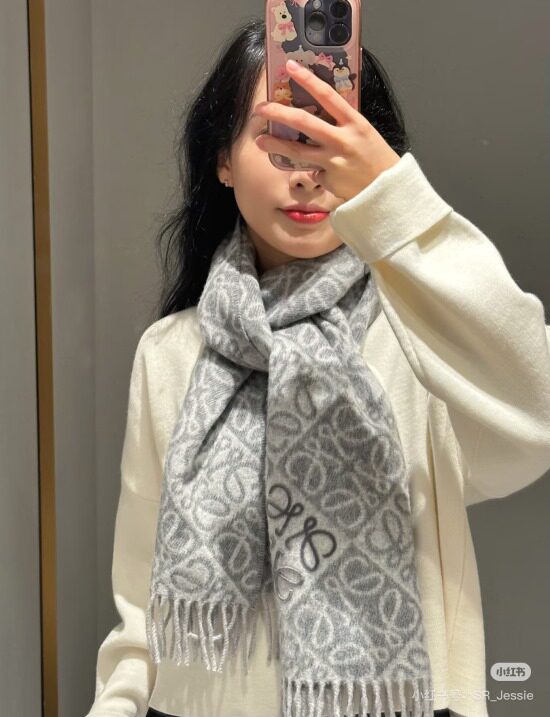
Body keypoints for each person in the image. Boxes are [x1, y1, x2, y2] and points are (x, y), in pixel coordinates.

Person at [84, 17, 550, 717]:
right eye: (281, 136)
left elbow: (535, 410)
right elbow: (139, 604)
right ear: (222, 158)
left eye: (329, 136)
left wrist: (393, 200)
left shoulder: (423, 337)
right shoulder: (170, 352)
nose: (306, 172)